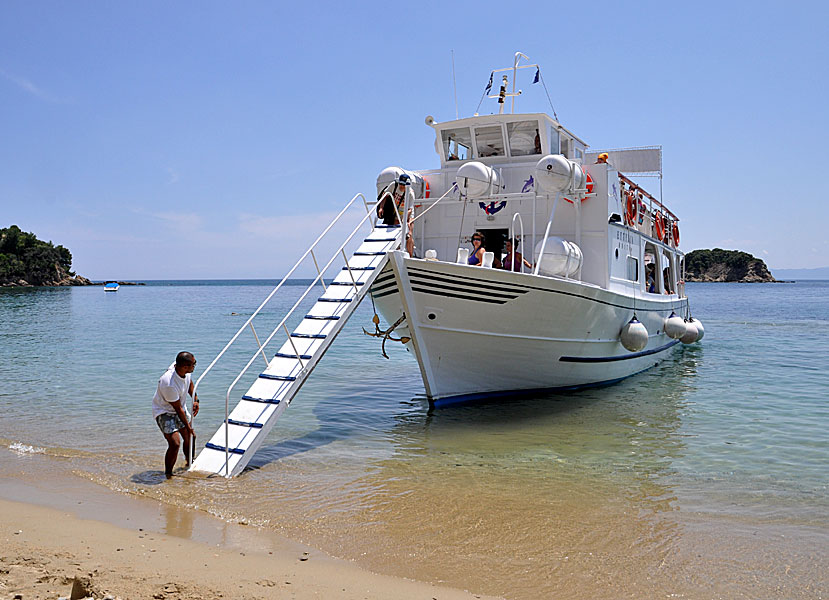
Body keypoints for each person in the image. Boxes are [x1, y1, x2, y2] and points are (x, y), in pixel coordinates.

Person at [152, 351, 198, 479]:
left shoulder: (181, 369)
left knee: (190, 437)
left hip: (178, 408)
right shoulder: (168, 383)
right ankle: (168, 474)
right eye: (193, 364)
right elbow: (177, 409)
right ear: (184, 366)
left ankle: (190, 462)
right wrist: (188, 427)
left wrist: (195, 399)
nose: (195, 366)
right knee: (175, 443)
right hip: (164, 411)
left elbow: (190, 383)